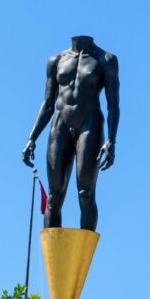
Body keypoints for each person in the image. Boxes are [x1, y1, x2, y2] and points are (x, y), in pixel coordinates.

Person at [21, 35, 119, 231]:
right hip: (61, 123)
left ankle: (84, 250)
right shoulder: (56, 60)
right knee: (54, 196)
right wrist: (32, 138)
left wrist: (111, 140)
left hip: (90, 123)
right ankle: (53, 250)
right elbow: (48, 103)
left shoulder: (106, 59)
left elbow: (113, 104)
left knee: (85, 193)